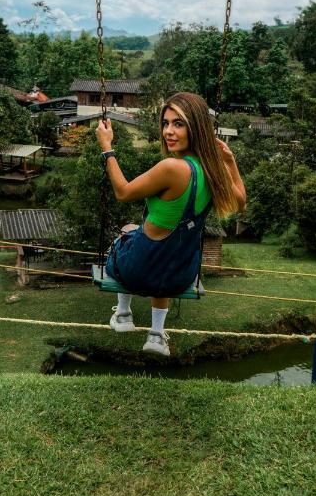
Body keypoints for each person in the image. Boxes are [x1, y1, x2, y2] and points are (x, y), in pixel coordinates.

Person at [96, 92, 246, 357]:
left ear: (196, 127)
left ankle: (123, 314)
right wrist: (230, 161)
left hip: (139, 272)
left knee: (127, 233)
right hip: (180, 276)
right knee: (166, 251)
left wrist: (107, 148)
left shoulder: (172, 168)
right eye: (166, 123)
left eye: (178, 124)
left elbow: (122, 192)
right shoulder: (212, 170)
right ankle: (156, 335)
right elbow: (241, 201)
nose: (168, 131)